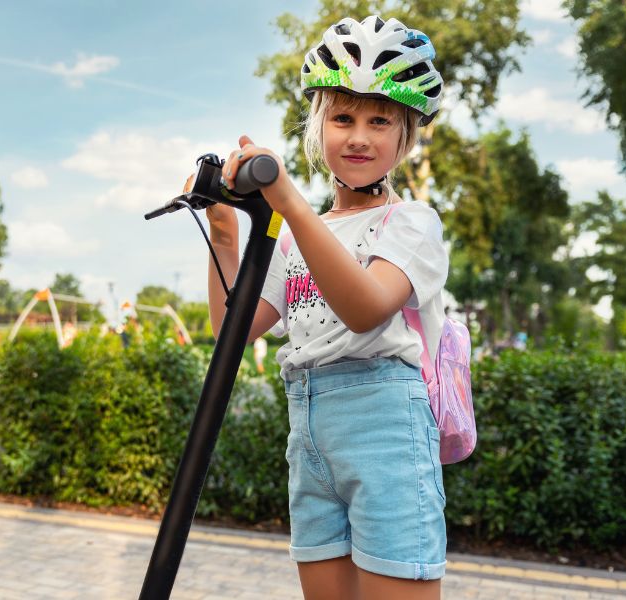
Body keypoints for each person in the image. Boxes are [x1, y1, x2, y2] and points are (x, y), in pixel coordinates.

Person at [193, 15, 448, 600]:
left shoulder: (409, 223)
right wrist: (226, 236)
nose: (359, 136)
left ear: (406, 136)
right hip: (307, 427)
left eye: (379, 120)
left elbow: (366, 309)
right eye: (342, 117)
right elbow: (231, 331)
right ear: (319, 125)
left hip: (383, 424)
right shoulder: (295, 236)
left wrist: (287, 202)